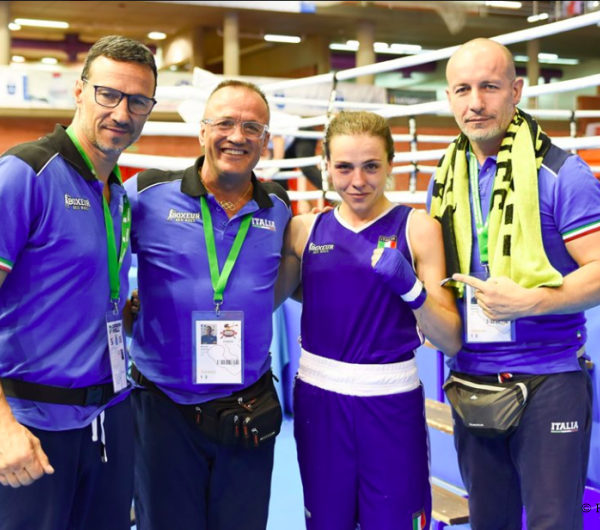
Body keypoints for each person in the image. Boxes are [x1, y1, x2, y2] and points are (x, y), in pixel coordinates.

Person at [429, 38, 600, 529]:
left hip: (549, 378)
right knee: (489, 522)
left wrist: (535, 301)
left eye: (489, 87)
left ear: (516, 90)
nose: (475, 102)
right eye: (462, 89)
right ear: (449, 98)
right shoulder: (444, 180)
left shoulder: (563, 174)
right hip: (471, 377)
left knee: (551, 521)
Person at [275, 110, 462, 530]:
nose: (357, 181)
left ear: (391, 165)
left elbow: (450, 338)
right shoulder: (305, 230)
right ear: (326, 167)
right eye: (344, 167)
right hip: (319, 401)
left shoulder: (418, 228)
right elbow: (260, 302)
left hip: (391, 403)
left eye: (371, 166)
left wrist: (412, 289)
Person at [0, 35, 157, 530]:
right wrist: (2, 428)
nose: (121, 112)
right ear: (80, 90)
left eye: (138, 101)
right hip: (32, 427)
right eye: (108, 94)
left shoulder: (118, 196)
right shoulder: (25, 174)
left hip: (109, 421)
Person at [125, 80, 291, 530]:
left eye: (252, 127)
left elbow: (287, 281)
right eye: (224, 123)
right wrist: (123, 311)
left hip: (248, 403)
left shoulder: (277, 206)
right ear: (202, 132)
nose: (237, 136)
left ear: (265, 140)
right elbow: (101, 265)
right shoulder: (147, 194)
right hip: (163, 407)